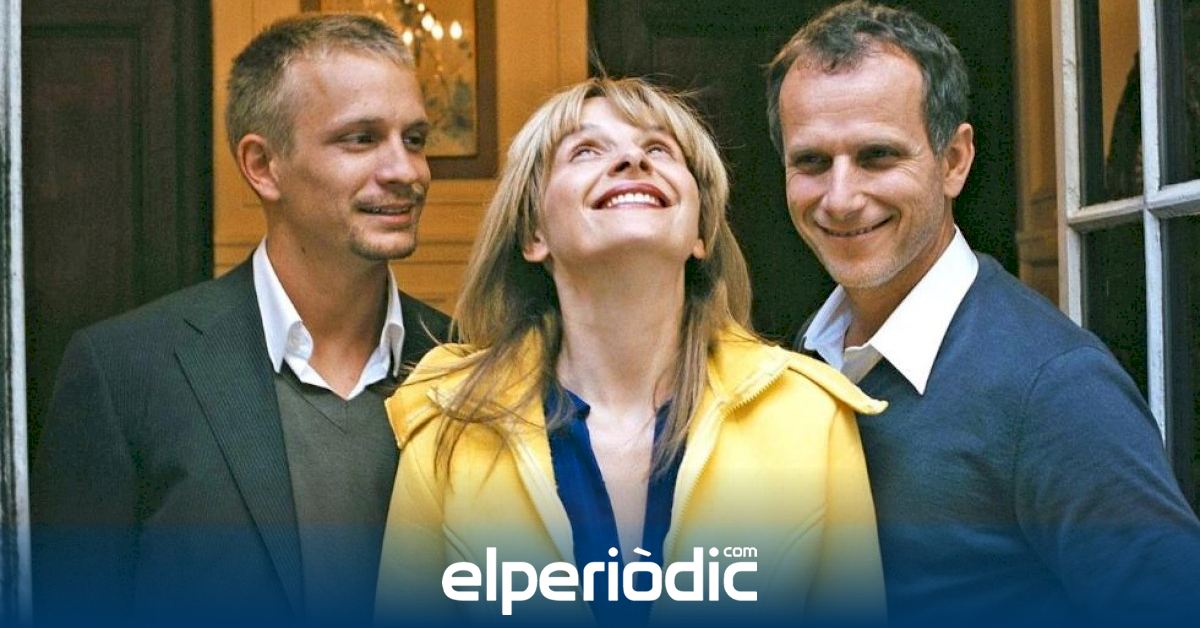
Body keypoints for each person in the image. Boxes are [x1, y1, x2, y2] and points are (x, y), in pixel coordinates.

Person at [376, 77, 887, 625]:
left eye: (659, 149)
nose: (631, 160)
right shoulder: (448, 421)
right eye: (586, 150)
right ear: (533, 234)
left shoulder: (810, 416)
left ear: (701, 232)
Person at [766, 1, 1200, 624]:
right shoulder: (805, 356)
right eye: (811, 162)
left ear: (954, 161)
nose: (840, 198)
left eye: (877, 156)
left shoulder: (1057, 390)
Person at [31, 13, 449, 625]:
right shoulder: (125, 372)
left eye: (413, 139)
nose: (406, 171)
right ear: (262, 165)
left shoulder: (472, 364)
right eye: (361, 139)